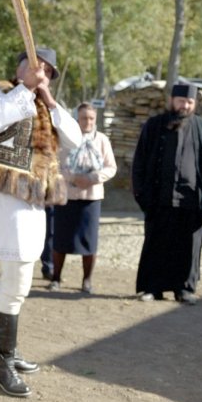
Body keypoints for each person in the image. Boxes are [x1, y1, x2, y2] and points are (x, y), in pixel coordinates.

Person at [0, 47, 80, 398]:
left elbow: (75, 138)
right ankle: (1, 361)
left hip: (34, 199)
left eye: (48, 71)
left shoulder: (44, 104)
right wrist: (26, 88)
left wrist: (47, 97)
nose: (42, 74)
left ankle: (8, 350)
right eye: (36, 67)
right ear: (20, 67)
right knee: (15, 276)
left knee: (21, 279)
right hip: (6, 197)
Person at [132, 82, 202, 305]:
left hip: (191, 200)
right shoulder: (153, 126)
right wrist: (141, 193)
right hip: (159, 198)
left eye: (190, 102)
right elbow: (140, 162)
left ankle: (184, 289)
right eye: (182, 101)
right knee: (156, 243)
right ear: (172, 100)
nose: (185, 105)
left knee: (188, 247)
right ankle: (153, 288)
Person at [50, 102, 117, 294]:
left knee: (89, 242)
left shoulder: (102, 140)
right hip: (67, 196)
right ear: (76, 119)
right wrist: (71, 177)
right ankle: (56, 278)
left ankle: (87, 281)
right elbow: (55, 163)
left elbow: (111, 167)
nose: (87, 122)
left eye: (91, 118)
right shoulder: (65, 138)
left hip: (91, 197)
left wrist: (92, 178)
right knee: (61, 239)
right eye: (83, 118)